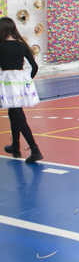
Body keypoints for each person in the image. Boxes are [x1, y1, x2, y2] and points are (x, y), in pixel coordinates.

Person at [0, 17, 42, 163]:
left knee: (18, 116)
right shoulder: (21, 45)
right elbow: (35, 67)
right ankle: (15, 147)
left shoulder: (1, 46)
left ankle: (35, 150)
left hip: (8, 83)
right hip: (20, 82)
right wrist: (27, 81)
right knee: (13, 113)